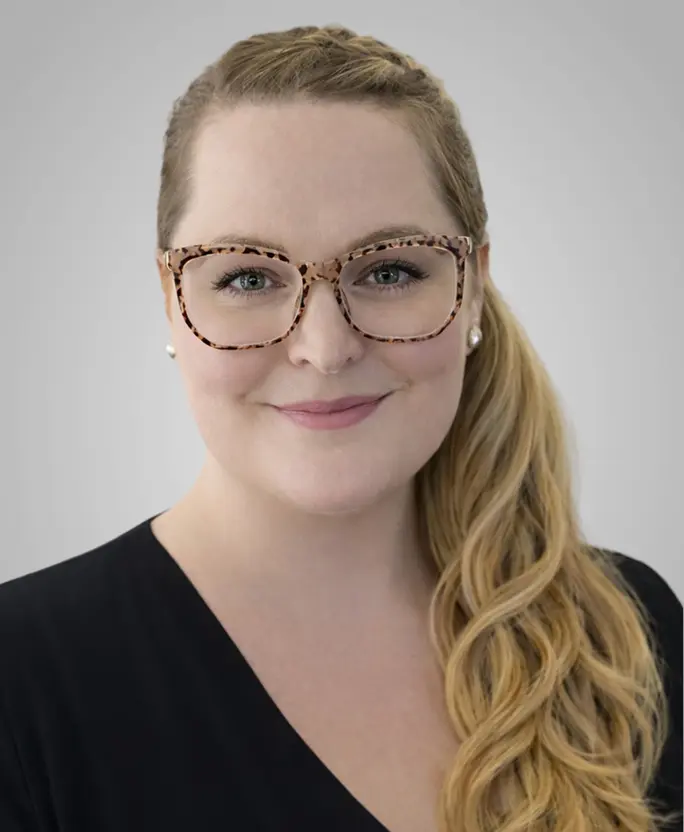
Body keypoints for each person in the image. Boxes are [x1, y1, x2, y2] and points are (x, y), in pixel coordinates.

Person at [0, 23, 681, 832]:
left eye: (389, 269)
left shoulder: (626, 627)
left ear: (472, 286)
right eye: (247, 277)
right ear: (171, 299)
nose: (324, 349)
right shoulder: (20, 680)